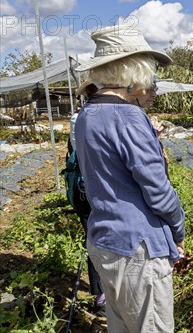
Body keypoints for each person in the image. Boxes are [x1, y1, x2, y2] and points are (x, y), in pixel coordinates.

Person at [73, 25, 185, 332]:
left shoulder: (86, 115)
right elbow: (159, 191)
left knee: (121, 323)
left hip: (105, 241)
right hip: (138, 249)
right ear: (133, 69)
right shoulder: (130, 117)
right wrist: (178, 228)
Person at [65, 81, 104, 313]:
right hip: (92, 188)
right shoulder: (88, 118)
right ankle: (103, 296)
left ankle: (101, 296)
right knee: (98, 238)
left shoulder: (78, 117)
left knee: (94, 238)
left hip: (84, 187)